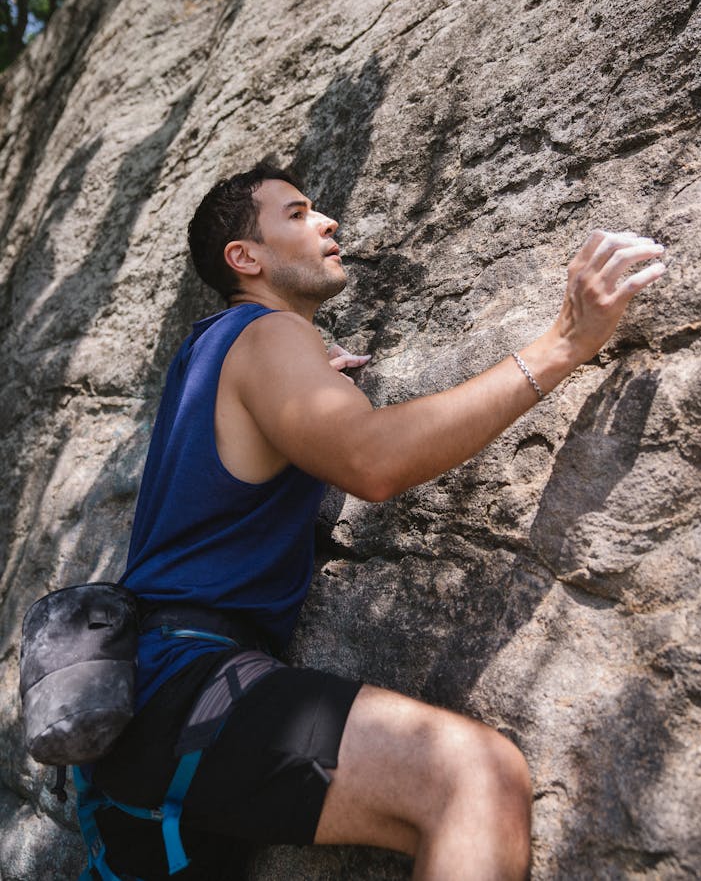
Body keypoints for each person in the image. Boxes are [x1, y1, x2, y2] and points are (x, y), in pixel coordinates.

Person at [89, 162, 666, 881]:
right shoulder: (267, 334)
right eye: (297, 214)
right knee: (472, 778)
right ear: (247, 258)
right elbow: (374, 461)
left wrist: (309, 390)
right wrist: (564, 342)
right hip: (188, 687)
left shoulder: (208, 354)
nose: (328, 221)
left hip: (144, 702)